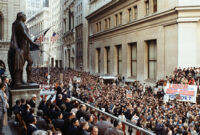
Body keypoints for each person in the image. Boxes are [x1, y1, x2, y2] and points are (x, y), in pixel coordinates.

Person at [8, 12, 39, 88]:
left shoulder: (22, 24)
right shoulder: (19, 23)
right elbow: (24, 34)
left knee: (30, 61)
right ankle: (18, 81)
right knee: (19, 65)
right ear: (21, 16)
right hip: (21, 48)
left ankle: (28, 79)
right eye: (24, 15)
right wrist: (32, 43)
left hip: (26, 48)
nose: (26, 17)